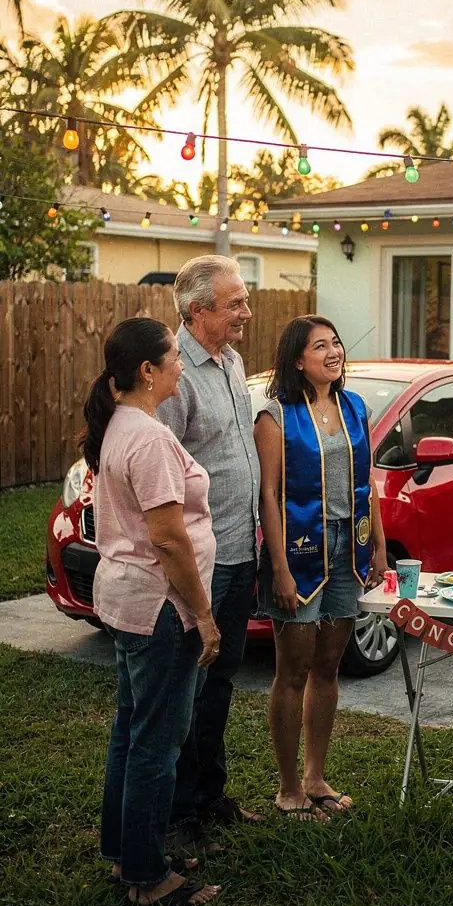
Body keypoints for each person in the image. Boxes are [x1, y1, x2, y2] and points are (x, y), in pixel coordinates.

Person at [84, 318, 221, 906]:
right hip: (160, 608)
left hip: (127, 600)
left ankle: (126, 851)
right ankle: (146, 876)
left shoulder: (123, 424)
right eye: (173, 357)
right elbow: (168, 538)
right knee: (157, 744)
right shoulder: (148, 437)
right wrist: (205, 615)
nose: (181, 365)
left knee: (131, 731)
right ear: (148, 371)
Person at [254, 316, 387, 819]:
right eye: (320, 346)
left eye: (336, 342)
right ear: (296, 359)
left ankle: (315, 775)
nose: (334, 352)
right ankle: (288, 788)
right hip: (299, 551)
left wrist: (376, 543)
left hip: (346, 551)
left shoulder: (354, 407)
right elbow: (267, 494)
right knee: (292, 669)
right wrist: (280, 567)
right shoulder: (276, 416)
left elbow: (367, 480)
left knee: (329, 665)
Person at [159, 255, 263, 845]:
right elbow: (164, 474)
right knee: (187, 689)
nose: (245, 312)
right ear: (198, 312)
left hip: (240, 546)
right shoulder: (173, 373)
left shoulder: (231, 360)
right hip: (202, 559)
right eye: (235, 304)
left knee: (222, 680)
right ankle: (177, 813)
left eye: (243, 301)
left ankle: (209, 794)